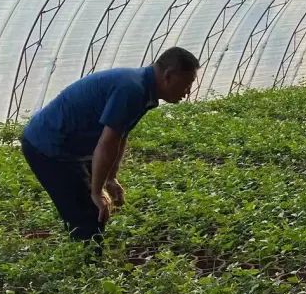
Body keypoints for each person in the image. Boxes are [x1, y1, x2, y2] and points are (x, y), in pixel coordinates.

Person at [21, 47, 200, 242]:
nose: (188, 91)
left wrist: (110, 178)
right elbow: (107, 143)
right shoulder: (132, 89)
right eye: (187, 83)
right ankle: (86, 266)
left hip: (67, 144)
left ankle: (85, 253)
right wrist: (96, 192)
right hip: (48, 146)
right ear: (168, 75)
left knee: (90, 208)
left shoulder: (142, 88)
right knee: (89, 214)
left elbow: (119, 136)